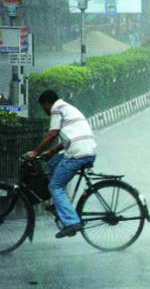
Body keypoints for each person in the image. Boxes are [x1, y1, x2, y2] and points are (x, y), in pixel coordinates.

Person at [26, 90, 96, 238]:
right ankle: (59, 205)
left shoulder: (56, 109)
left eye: (43, 107)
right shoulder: (67, 108)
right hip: (85, 150)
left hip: (77, 154)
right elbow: (68, 139)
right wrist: (50, 152)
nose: (45, 110)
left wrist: (36, 152)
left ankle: (71, 222)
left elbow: (53, 134)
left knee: (55, 186)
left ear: (47, 103)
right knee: (52, 163)